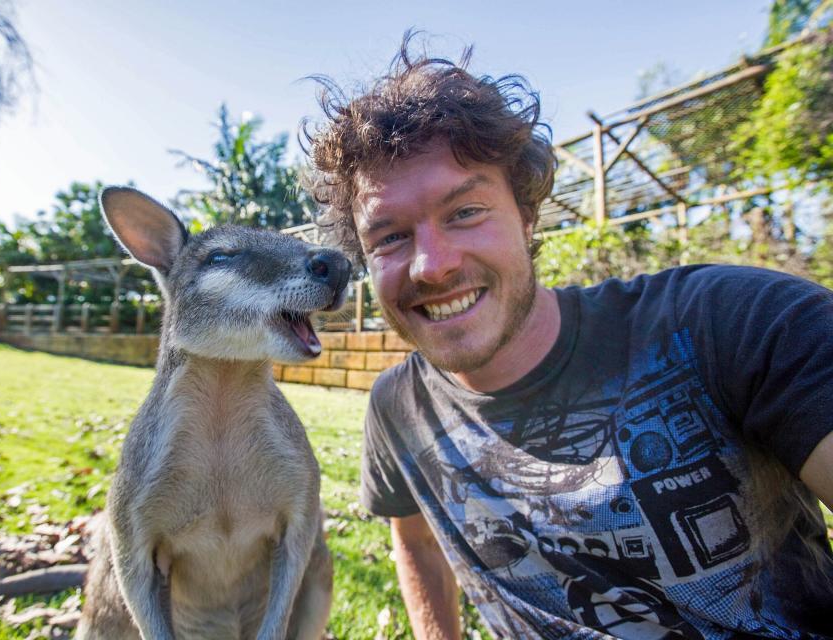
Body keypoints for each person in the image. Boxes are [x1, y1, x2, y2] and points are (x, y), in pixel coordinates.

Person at [304, 35, 833, 639]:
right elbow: (416, 537)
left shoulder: (733, 323)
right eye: (390, 237)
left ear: (526, 215)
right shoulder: (397, 409)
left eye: (465, 212)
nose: (431, 265)